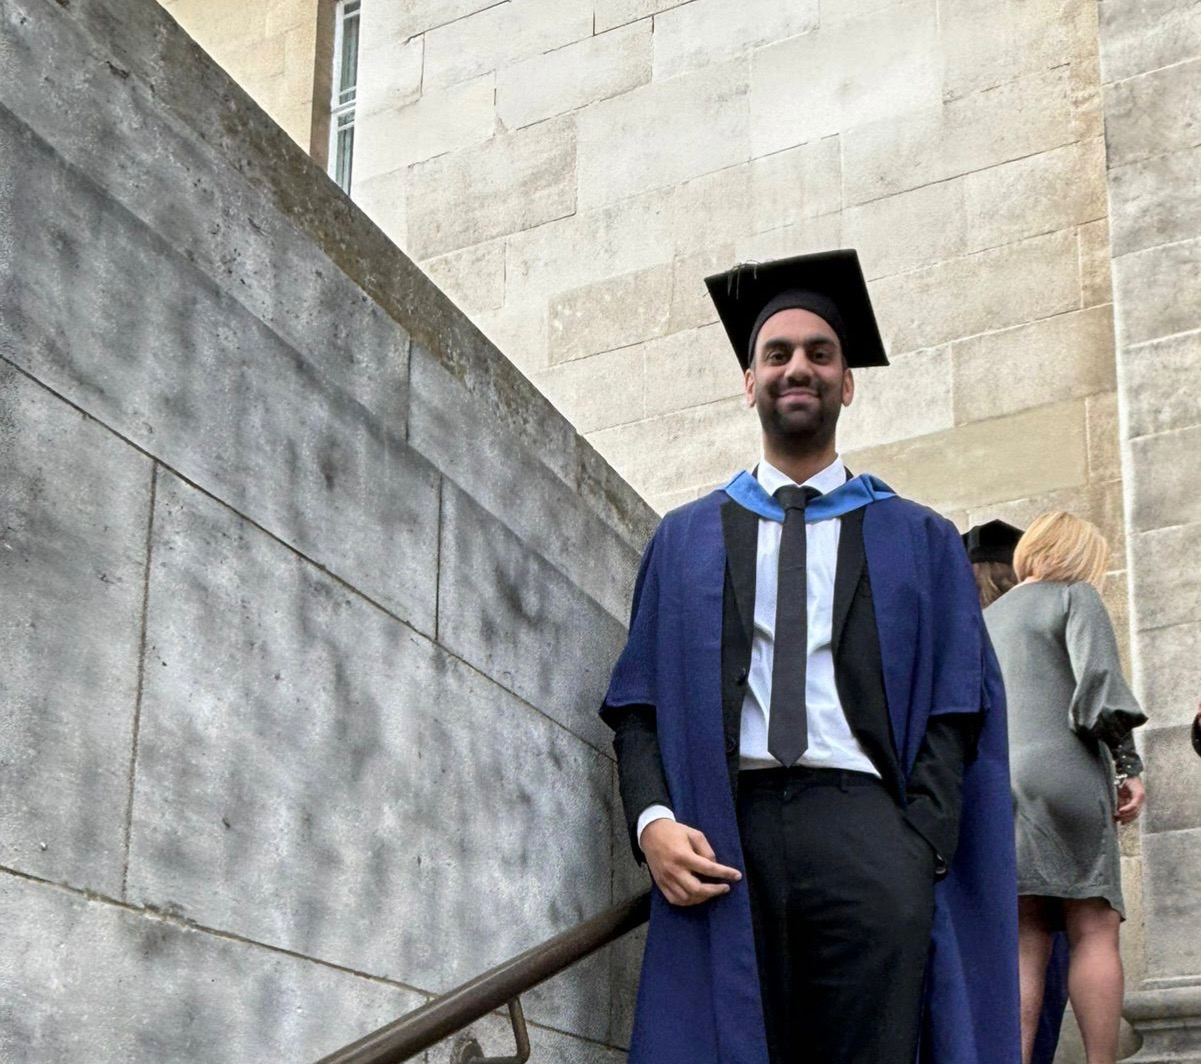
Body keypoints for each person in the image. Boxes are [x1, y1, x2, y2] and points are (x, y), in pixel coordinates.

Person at [602, 250, 1019, 1064]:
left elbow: (956, 706)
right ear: (748, 381)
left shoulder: (920, 537)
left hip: (868, 827)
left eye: (819, 354)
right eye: (777, 353)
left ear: (847, 381)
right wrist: (651, 823)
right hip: (724, 831)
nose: (798, 367)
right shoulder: (685, 538)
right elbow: (636, 705)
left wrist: (918, 846)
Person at [963, 518, 1145, 1064]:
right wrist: (1127, 766)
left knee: (1025, 936)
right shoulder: (1074, 596)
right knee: (1093, 927)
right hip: (1066, 772)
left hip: (1000, 780)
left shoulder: (986, 619)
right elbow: (1099, 689)